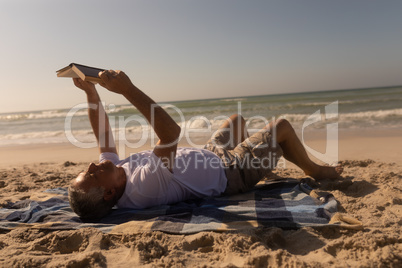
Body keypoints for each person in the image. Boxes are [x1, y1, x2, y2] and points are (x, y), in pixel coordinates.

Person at [68, 70, 343, 220]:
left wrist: (91, 92)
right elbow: (171, 133)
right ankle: (315, 171)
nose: (92, 165)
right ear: (108, 193)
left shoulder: (114, 171)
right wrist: (128, 89)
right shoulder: (143, 186)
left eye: (87, 169)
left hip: (210, 155)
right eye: (91, 174)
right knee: (281, 127)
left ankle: (263, 167)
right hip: (230, 172)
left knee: (237, 119)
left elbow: (103, 134)